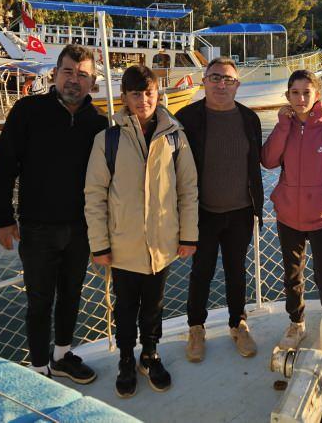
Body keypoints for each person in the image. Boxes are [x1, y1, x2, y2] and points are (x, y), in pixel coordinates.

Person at [0, 44, 107, 381]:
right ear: (55, 74)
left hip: (81, 229)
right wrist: (3, 218)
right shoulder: (28, 111)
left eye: (83, 74)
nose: (74, 80)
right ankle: (40, 368)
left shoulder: (98, 122)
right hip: (38, 228)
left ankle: (62, 356)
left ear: (92, 81)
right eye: (68, 71)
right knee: (40, 301)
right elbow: (4, 166)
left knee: (72, 295)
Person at [84, 65, 198, 398]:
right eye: (136, 93)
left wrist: (188, 235)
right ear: (125, 98)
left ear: (157, 94)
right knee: (124, 306)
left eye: (149, 93)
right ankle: (125, 358)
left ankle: (150, 354)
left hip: (162, 243)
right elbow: (94, 195)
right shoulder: (108, 140)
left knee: (154, 304)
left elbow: (187, 189)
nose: (143, 100)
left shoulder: (175, 136)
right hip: (122, 245)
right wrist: (99, 243)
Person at [175, 56, 264, 363]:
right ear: (204, 81)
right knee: (201, 272)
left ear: (237, 85)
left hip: (241, 211)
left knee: (236, 272)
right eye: (215, 78)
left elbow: (258, 162)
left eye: (228, 80)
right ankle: (196, 328)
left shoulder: (249, 119)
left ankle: (237, 324)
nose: (221, 85)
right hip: (203, 212)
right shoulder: (187, 117)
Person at [261, 69, 322, 350]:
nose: (300, 98)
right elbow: (268, 160)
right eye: (294, 92)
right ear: (287, 95)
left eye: (306, 92)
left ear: (317, 95)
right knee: (292, 275)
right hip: (288, 215)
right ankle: (297, 323)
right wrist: (282, 125)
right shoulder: (285, 127)